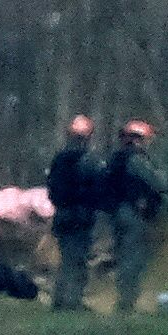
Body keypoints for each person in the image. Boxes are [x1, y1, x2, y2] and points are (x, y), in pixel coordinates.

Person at [100, 120, 167, 314]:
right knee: (133, 258)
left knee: (123, 256)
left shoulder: (115, 158)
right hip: (133, 214)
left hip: (116, 214)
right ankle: (126, 303)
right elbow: (159, 183)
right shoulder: (136, 160)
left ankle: (123, 299)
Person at [45, 115, 103, 312]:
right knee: (77, 261)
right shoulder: (90, 161)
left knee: (67, 260)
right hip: (80, 219)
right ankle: (72, 302)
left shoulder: (59, 160)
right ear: (87, 137)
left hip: (62, 217)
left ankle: (60, 301)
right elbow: (97, 191)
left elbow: (52, 191)